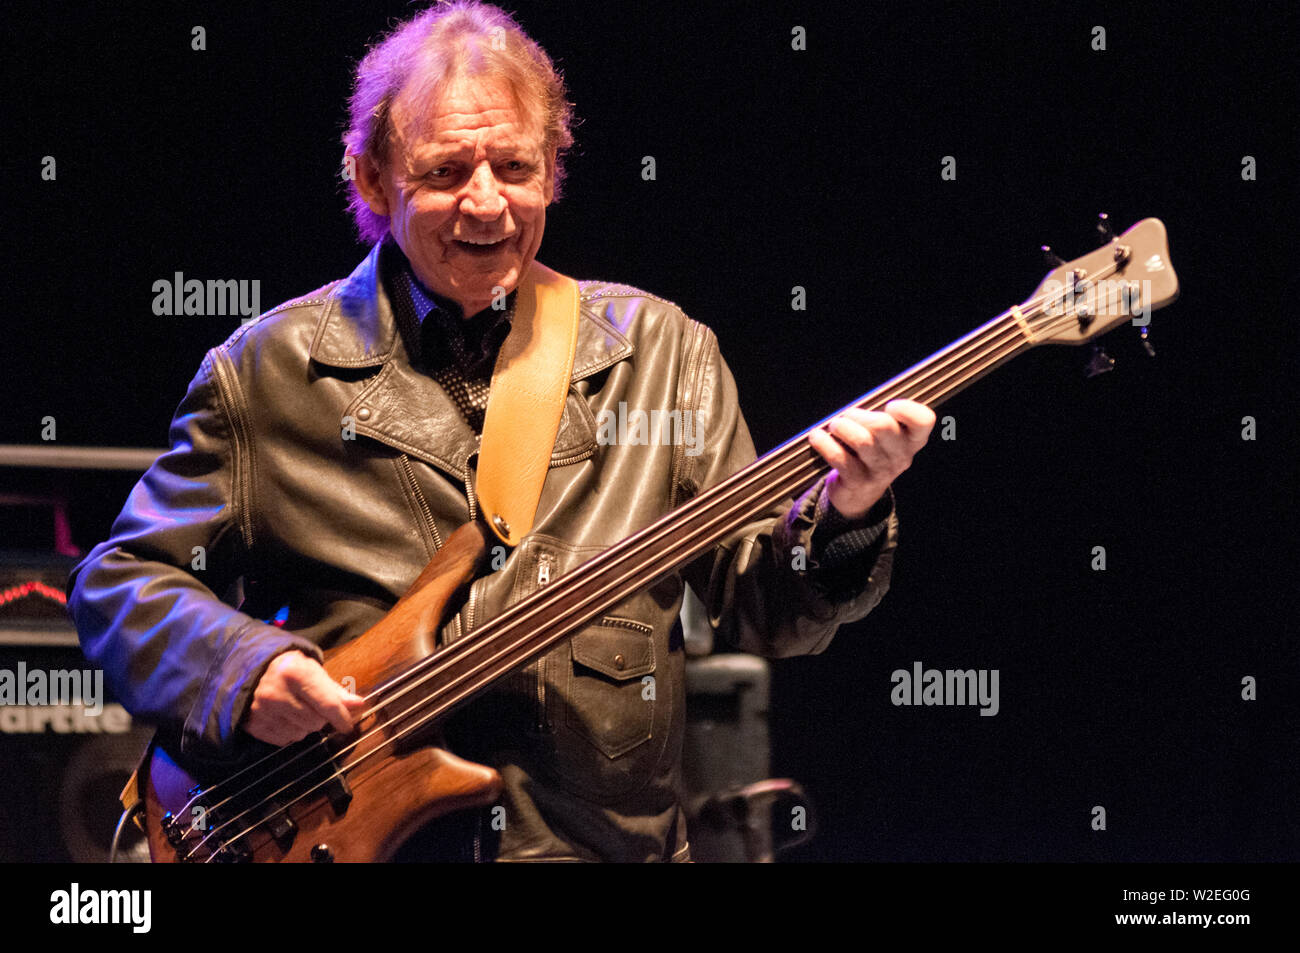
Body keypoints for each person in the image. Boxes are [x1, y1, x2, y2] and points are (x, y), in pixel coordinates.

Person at [67, 0, 934, 862]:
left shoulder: (664, 352)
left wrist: (845, 514)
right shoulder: (268, 370)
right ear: (371, 178)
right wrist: (240, 671)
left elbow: (763, 607)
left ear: (554, 169)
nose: (487, 206)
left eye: (515, 167)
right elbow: (120, 583)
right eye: (446, 172)